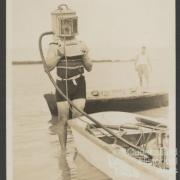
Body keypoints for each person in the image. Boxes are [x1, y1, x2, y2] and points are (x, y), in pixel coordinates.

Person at [45, 5, 93, 151]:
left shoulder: (81, 43)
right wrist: (59, 55)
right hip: (61, 85)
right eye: (64, 24)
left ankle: (79, 150)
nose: (67, 27)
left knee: (78, 118)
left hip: (78, 84)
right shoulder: (54, 45)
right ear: (59, 25)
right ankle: (63, 151)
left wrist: (85, 57)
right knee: (62, 119)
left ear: (74, 23)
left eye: (69, 23)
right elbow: (47, 68)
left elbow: (89, 68)